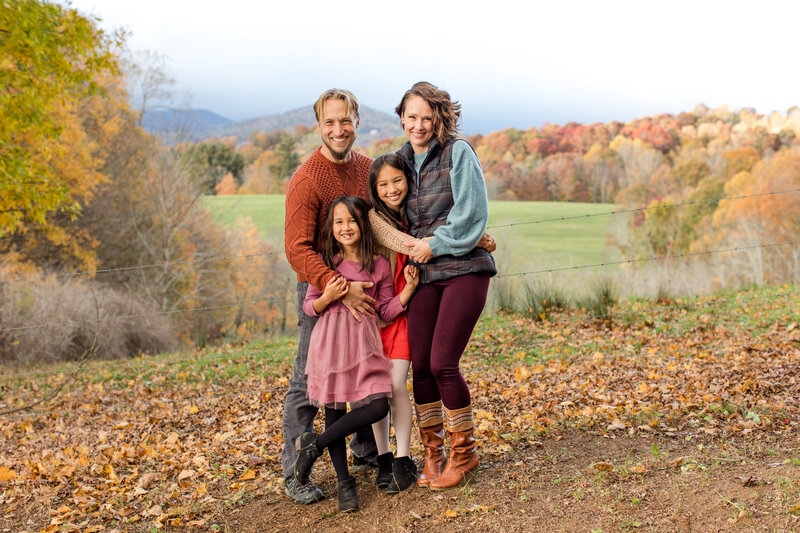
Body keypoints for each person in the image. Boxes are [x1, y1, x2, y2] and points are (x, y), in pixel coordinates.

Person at [395, 81, 497, 490]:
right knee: (419, 366)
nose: (418, 125)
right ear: (401, 117)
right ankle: (433, 453)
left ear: (439, 117)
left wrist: (432, 244)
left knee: (442, 364)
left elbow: (472, 215)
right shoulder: (399, 161)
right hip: (423, 277)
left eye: (426, 117)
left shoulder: (459, 152)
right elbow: (383, 210)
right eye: (411, 117)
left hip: (464, 269)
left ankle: (464, 453)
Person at [282, 89, 379, 505]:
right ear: (319, 125)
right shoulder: (307, 178)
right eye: (329, 122)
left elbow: (386, 226)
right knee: (309, 379)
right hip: (321, 287)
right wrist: (338, 287)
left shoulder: (368, 169)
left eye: (346, 121)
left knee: (362, 366)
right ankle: (294, 471)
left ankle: (365, 451)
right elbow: (297, 249)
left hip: (364, 279)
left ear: (357, 121)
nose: (338, 130)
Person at [294, 196, 419, 512]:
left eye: (351, 221)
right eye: (338, 222)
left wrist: (407, 291)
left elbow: (386, 309)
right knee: (335, 410)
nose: (345, 227)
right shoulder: (326, 264)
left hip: (365, 347)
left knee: (377, 405)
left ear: (363, 225)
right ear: (331, 228)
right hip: (332, 344)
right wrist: (330, 296)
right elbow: (310, 305)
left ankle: (314, 445)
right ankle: (344, 484)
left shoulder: (377, 264)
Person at [365, 154, 419, 494]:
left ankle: (402, 457)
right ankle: (383, 457)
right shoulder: (373, 219)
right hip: (377, 315)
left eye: (397, 180)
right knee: (377, 391)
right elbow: (406, 245)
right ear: (374, 189)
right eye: (382, 184)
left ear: (408, 179)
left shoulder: (416, 214)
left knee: (397, 385)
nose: (391, 189)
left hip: (403, 313)